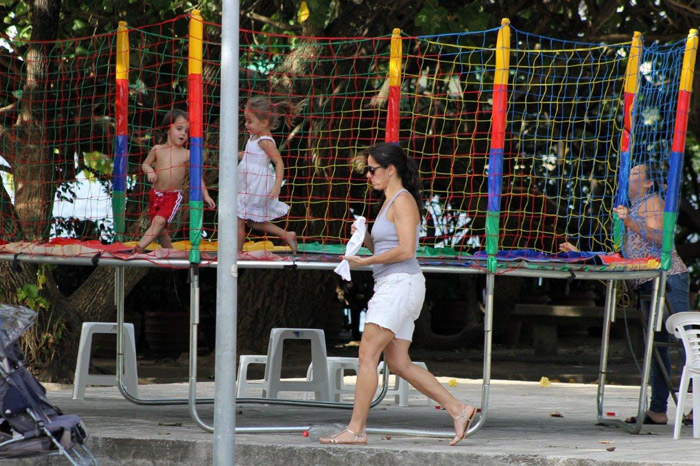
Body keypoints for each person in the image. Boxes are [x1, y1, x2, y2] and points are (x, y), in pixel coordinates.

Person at [319, 143, 476, 446]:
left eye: (372, 169)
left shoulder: (402, 201)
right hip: (396, 285)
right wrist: (362, 238)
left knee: (366, 354)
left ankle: (356, 430)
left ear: (390, 170)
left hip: (399, 285)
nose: (368, 175)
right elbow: (386, 248)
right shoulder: (389, 202)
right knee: (399, 363)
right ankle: (459, 409)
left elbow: (406, 250)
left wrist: (366, 262)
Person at [561, 163, 690, 425]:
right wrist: (582, 254)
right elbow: (623, 254)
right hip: (645, 282)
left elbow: (661, 239)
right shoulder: (631, 208)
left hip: (669, 279)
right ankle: (657, 409)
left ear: (647, 183)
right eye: (628, 174)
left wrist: (630, 221)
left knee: (688, 344)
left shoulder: (653, 201)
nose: (628, 179)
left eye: (634, 176)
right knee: (655, 346)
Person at [134, 109, 216, 253]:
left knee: (159, 222)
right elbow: (145, 164)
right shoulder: (157, 149)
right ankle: (171, 252)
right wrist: (150, 171)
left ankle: (139, 247)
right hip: (155, 194)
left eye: (187, 131)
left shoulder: (187, 154)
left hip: (172, 196)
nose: (183, 134)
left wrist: (206, 195)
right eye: (179, 129)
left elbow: (197, 176)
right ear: (167, 129)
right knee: (160, 230)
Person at [238, 97, 298, 253]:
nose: (246, 124)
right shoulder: (254, 137)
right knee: (252, 222)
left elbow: (279, 163)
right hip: (247, 182)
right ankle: (287, 235)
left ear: (264, 123)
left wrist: (277, 186)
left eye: (249, 121)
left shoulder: (266, 141)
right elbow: (250, 155)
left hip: (256, 185)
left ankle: (236, 254)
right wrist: (234, 154)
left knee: (239, 218)